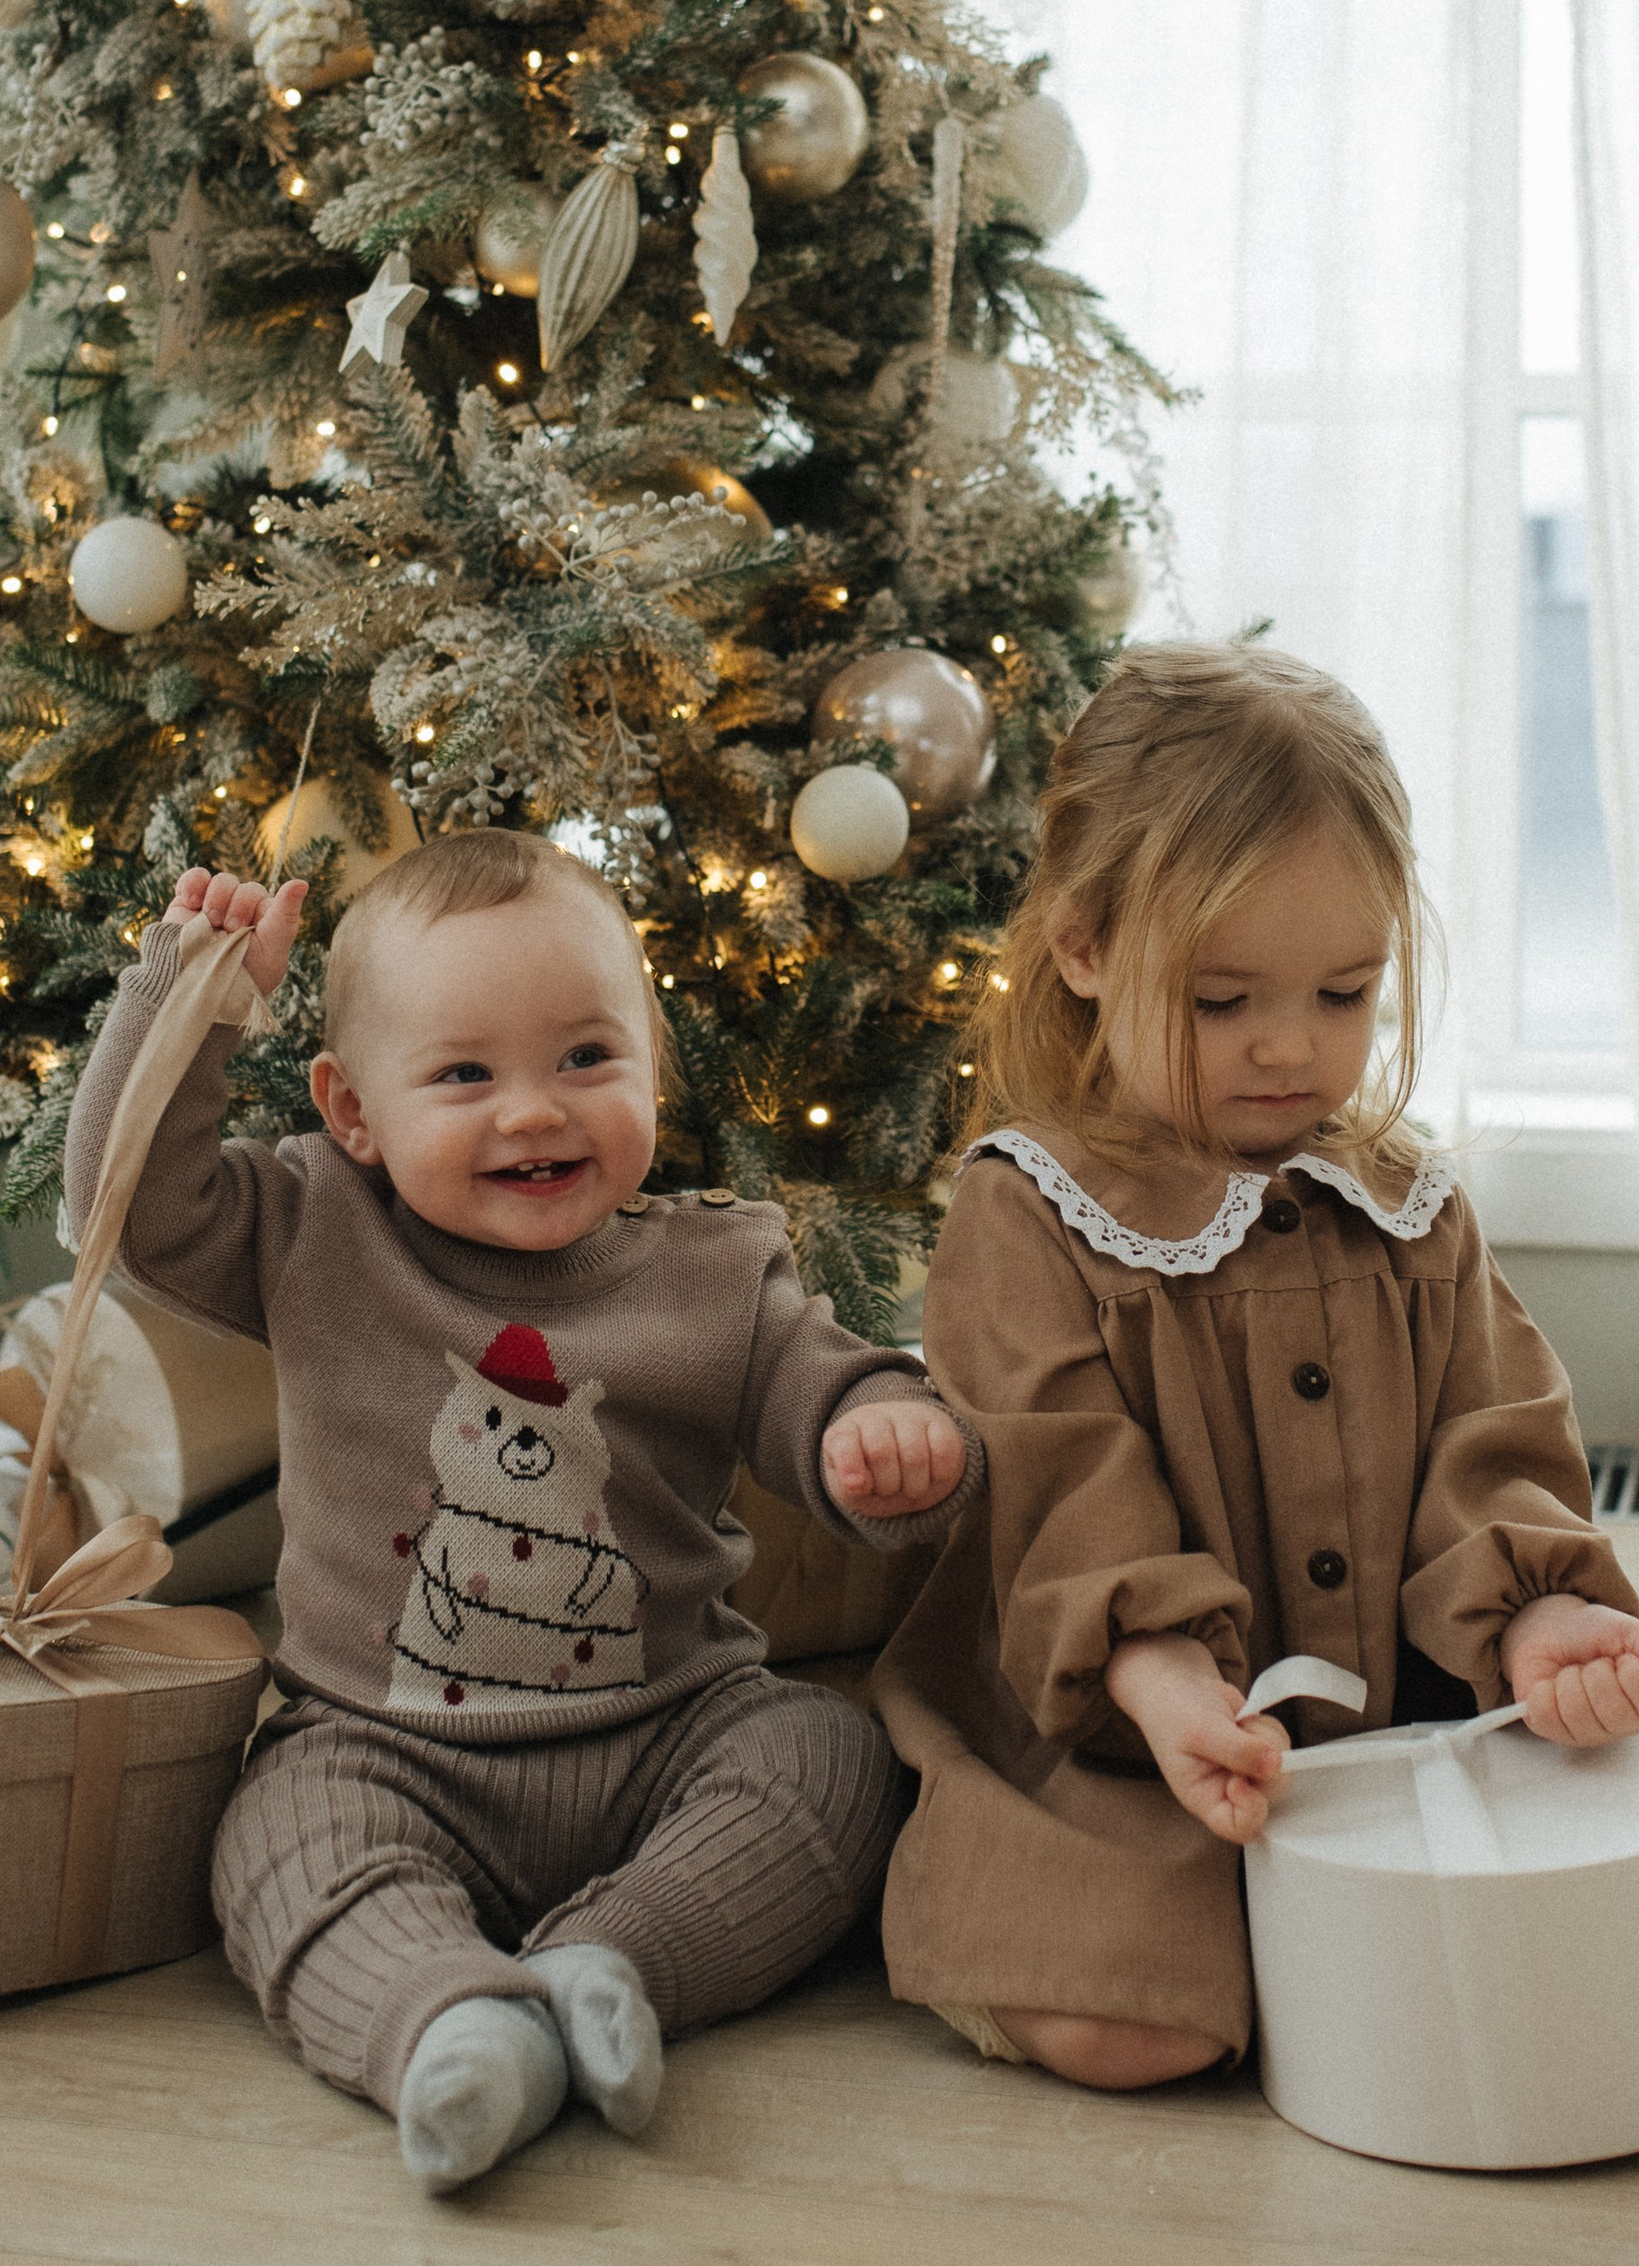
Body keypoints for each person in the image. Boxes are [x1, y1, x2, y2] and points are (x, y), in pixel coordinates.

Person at [875, 642, 1639, 2089]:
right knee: (1127, 2026)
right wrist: (1160, 1677)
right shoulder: (1026, 1211)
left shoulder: (1406, 1201)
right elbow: (1062, 1490)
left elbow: (1496, 1436)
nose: (1288, 1050)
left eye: (1345, 994)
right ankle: (1259, 1932)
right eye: (1220, 999)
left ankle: (1358, 1929)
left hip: (1433, 1697)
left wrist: (1535, 1623)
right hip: (1139, 1723)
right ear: (1081, 946)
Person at [64, 828, 978, 2190]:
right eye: (464, 1075)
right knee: (276, 1842)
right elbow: (123, 1207)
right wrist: (184, 1000)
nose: (534, 1110)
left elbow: (820, 1383)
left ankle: (612, 1964)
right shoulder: (314, 1225)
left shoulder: (714, 1272)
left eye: (585, 1059)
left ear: (648, 1069)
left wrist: (878, 1432)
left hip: (673, 1727)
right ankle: (451, 2025)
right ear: (354, 1110)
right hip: (382, 1743)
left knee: (830, 1765)